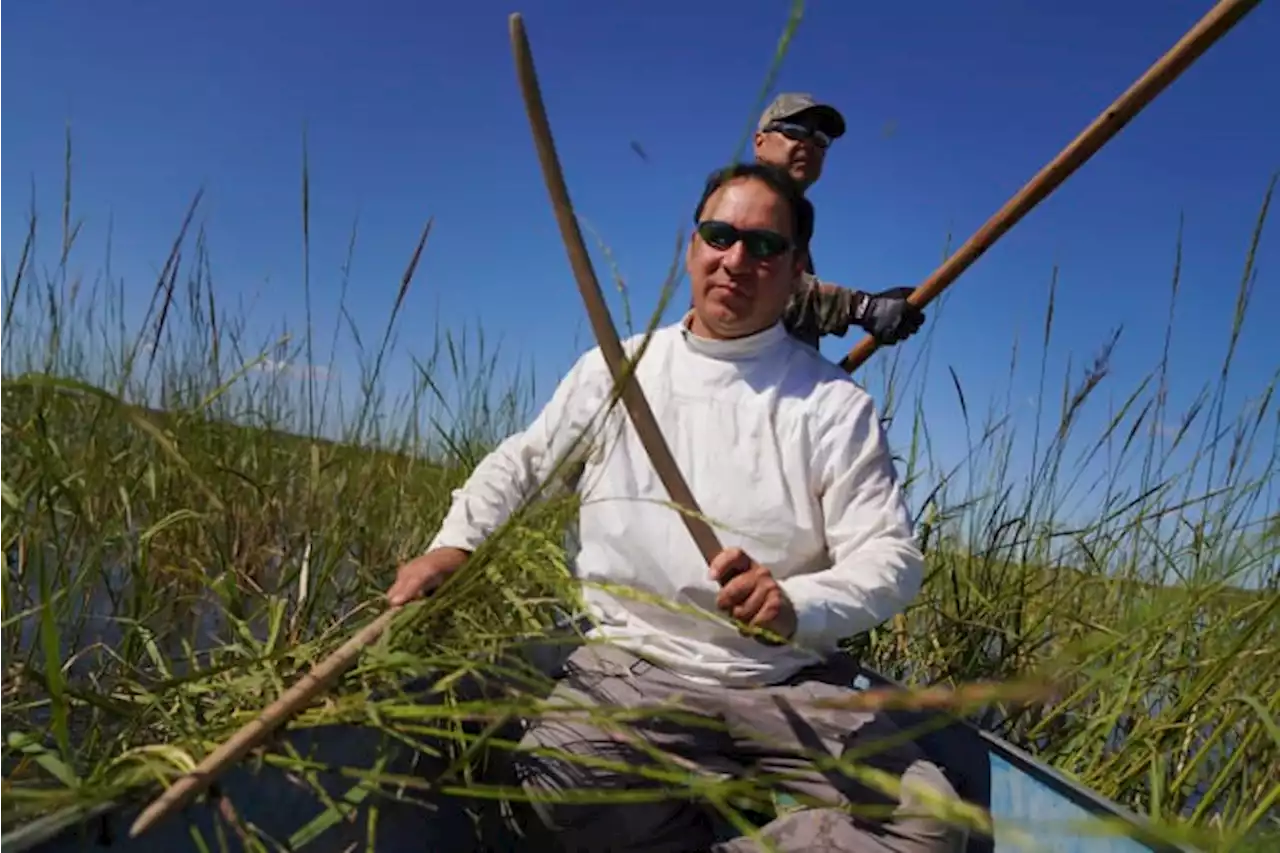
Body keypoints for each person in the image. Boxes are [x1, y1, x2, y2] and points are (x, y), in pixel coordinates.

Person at [386, 162, 965, 852]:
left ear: (796, 270)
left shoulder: (835, 404)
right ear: (692, 248)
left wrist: (795, 603)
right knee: (553, 781)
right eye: (719, 235)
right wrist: (457, 543)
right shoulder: (619, 366)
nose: (736, 259)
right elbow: (526, 462)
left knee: (931, 825)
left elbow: (890, 559)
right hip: (631, 662)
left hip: (783, 678)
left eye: (764, 246)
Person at [755, 92, 925, 350]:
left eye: (820, 139)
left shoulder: (794, 216)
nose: (809, 145)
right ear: (760, 142)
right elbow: (759, 282)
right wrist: (863, 307)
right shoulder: (745, 200)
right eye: (794, 131)